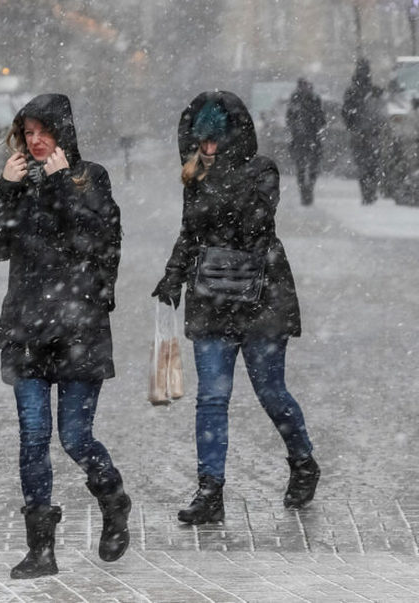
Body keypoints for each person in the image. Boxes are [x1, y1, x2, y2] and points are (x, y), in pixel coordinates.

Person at [151, 90, 320, 525]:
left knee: (271, 392)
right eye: (201, 143)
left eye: (214, 142)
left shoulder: (263, 170)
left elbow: (254, 227)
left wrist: (219, 176)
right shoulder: (195, 176)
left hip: (261, 296)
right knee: (211, 398)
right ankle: (210, 491)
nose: (207, 150)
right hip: (210, 296)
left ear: (232, 138)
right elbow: (190, 232)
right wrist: (172, 274)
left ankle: (303, 461)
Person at [0, 93, 130, 578]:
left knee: (74, 436)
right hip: (26, 328)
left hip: (78, 328)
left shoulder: (91, 178)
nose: (36, 140)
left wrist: (64, 183)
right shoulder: (16, 184)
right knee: (33, 437)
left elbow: (93, 239)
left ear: (63, 132)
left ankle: (113, 499)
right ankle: (41, 548)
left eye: (44, 131)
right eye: (28, 133)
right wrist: (3, 190)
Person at [342, 57, 386, 205]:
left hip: (359, 132)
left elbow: (346, 112)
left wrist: (352, 126)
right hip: (371, 132)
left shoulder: (352, 91)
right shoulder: (373, 90)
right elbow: (381, 112)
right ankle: (370, 192)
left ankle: (367, 193)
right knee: (372, 164)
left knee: (363, 164)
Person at [286, 77, 326, 206]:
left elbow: (290, 119)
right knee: (308, 168)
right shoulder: (311, 99)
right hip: (308, 138)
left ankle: (306, 191)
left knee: (303, 168)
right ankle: (307, 191)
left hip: (303, 139)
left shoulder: (298, 100)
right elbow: (321, 119)